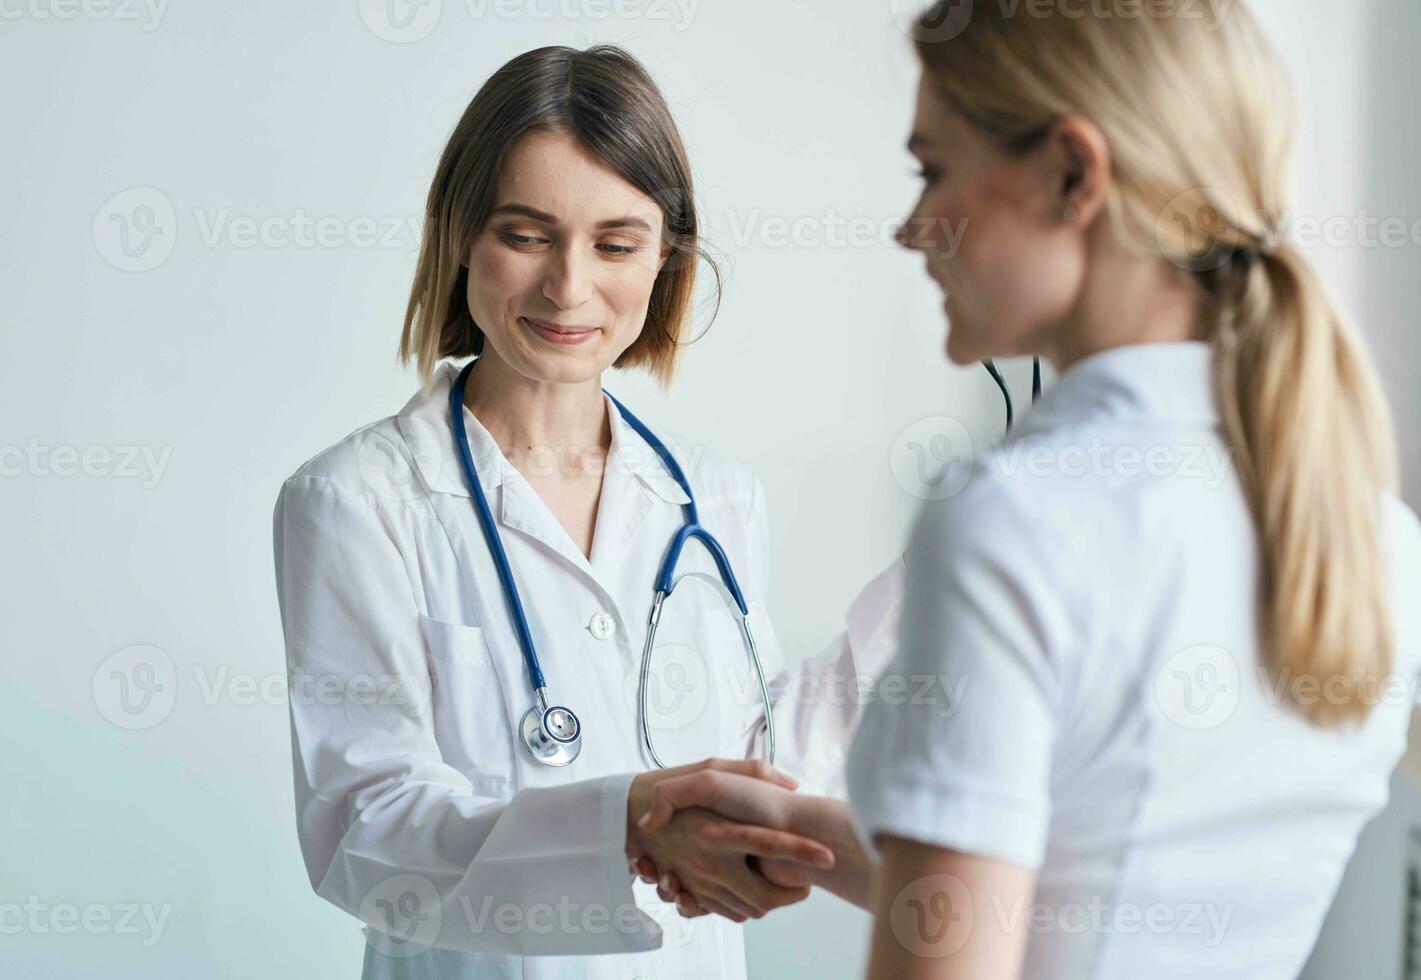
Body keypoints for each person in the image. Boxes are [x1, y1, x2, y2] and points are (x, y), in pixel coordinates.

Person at [637, 2, 1421, 977]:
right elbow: (1100, 894)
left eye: (933, 170)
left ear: (1070, 174)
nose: (909, 226)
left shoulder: (1015, 518)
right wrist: (802, 829)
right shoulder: (1373, 539)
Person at [271, 44, 901, 980]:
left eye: (615, 244)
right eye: (525, 235)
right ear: (459, 235)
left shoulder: (715, 498)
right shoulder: (354, 502)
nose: (569, 287)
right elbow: (365, 830)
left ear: (663, 258)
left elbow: (759, 762)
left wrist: (932, 591)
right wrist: (622, 826)